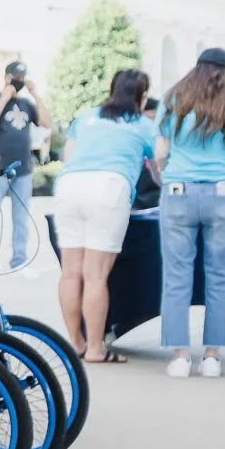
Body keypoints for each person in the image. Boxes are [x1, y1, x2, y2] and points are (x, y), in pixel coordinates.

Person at [154, 48, 225, 379]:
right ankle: (212, 357)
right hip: (222, 194)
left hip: (178, 191)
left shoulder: (173, 100)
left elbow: (161, 152)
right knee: (221, 275)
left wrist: (168, 172)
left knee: (176, 276)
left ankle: (180, 357)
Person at [53, 70, 157, 363]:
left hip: (70, 186)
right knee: (95, 276)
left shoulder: (85, 116)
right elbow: (158, 165)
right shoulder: (143, 124)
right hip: (109, 188)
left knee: (70, 272)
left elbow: (68, 158)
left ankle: (75, 342)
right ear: (142, 96)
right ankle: (96, 348)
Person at [0, 60, 52, 272]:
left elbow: (47, 123)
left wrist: (36, 94)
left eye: (22, 78)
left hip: (23, 169)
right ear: (7, 77)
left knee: (21, 218)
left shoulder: (27, 104)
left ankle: (19, 260)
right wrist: (5, 97)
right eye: (16, 78)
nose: (19, 82)